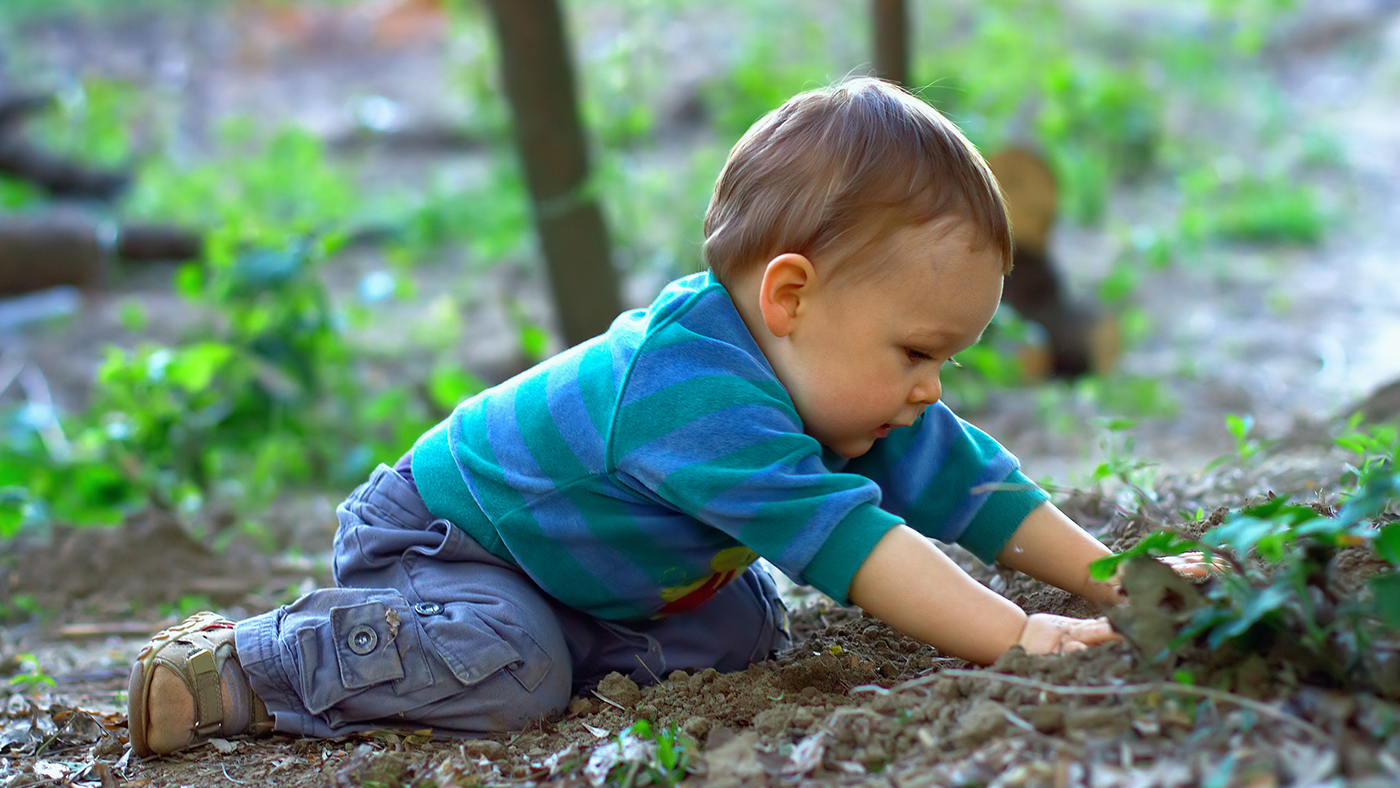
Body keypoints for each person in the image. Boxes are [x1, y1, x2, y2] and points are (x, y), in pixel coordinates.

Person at [125, 77, 1207, 758]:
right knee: (515, 670)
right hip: (446, 540)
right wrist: (1014, 634)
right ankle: (252, 663)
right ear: (788, 295)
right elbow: (858, 545)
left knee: (742, 628)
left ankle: (568, 628)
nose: (931, 386)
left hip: (587, 561)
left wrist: (1110, 576)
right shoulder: (693, 390)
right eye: (917, 351)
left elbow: (969, 480)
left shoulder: (846, 379)